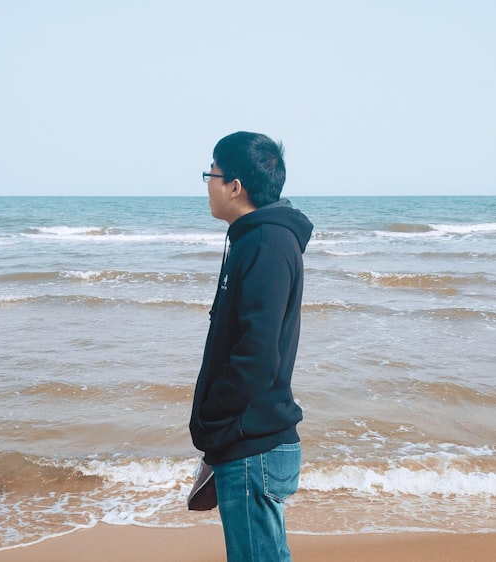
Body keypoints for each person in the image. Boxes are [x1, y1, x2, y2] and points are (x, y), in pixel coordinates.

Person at [189, 131, 313, 561]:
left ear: (235, 186)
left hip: (252, 445)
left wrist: (213, 417)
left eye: (212, 173)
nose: (207, 184)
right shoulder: (253, 240)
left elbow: (257, 357)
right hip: (248, 440)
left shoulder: (265, 244)